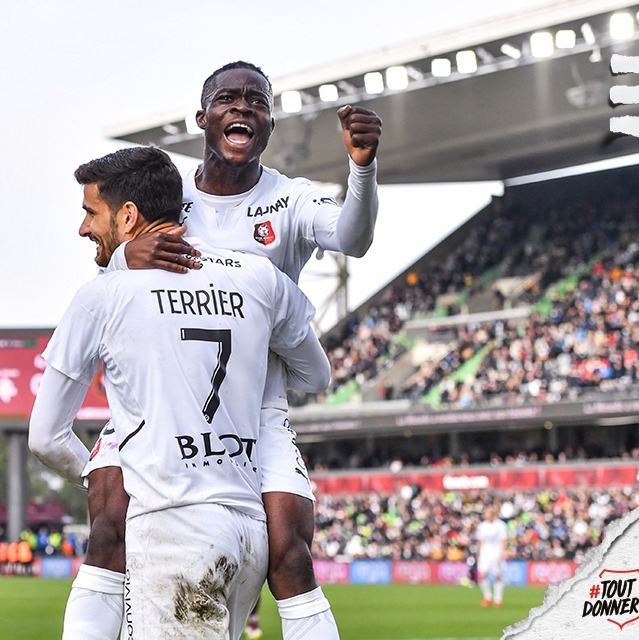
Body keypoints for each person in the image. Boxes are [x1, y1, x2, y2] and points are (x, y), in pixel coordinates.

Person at [67, 60, 382, 640]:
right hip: (159, 405)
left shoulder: (290, 201)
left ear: (268, 124)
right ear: (202, 119)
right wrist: (123, 256)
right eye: (228, 99)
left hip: (257, 411)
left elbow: (351, 239)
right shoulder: (170, 195)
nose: (242, 106)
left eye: (256, 100)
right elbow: (111, 238)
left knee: (289, 551)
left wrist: (361, 169)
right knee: (109, 525)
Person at [29, 145, 332, 638]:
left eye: (91, 212)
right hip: (247, 533)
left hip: (173, 529)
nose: (83, 228)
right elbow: (316, 377)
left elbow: (45, 437)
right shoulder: (259, 277)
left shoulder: (104, 294)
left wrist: (106, 476)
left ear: (128, 216)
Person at [475, 506, 508, 608]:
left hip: (496, 552)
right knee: (482, 575)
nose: (485, 516)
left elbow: (503, 540)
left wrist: (502, 553)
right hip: (485, 553)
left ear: (492, 514)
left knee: (497, 576)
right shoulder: (482, 526)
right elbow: (480, 541)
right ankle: (487, 596)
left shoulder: (500, 525)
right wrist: (479, 553)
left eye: (487, 514)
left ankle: (497, 599)